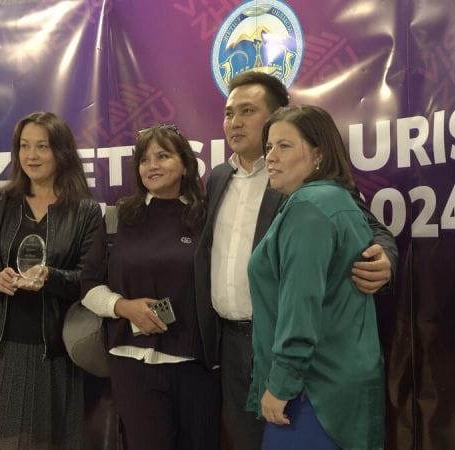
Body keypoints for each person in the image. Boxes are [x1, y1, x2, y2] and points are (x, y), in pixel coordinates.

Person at [194, 71, 399, 449]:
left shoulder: (309, 195)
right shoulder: (218, 177)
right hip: (234, 344)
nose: (235, 121)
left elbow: (368, 229)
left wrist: (385, 257)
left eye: (247, 111)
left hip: (300, 358)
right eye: (228, 113)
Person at [246, 104, 384, 449]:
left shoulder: (307, 208)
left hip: (312, 394)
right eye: (268, 147)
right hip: (340, 388)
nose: (271, 157)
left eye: (284, 146)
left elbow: (300, 307)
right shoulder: (334, 199)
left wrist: (281, 384)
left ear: (319, 154)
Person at [0, 111, 101, 450]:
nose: (31, 156)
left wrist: (51, 277)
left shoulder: (85, 211)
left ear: (61, 152)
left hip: (52, 350)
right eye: (24, 146)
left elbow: (88, 281)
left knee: (47, 440)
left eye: (42, 146)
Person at [80, 124, 221, 450]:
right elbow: (88, 285)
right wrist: (123, 307)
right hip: (132, 363)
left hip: (196, 366)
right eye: (145, 160)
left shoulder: (206, 217)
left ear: (185, 165)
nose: (152, 166)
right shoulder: (119, 217)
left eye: (163, 156)